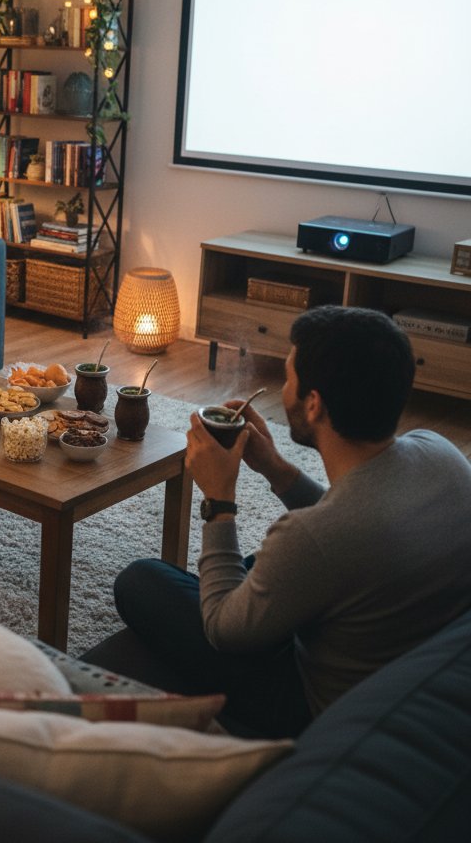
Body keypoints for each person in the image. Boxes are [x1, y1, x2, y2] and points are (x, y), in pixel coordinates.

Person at [114, 305, 471, 738]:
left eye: (289, 378)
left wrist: (219, 498)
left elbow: (222, 630)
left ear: (314, 404)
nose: (284, 391)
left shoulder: (311, 537)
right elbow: (353, 517)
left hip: (317, 705)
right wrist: (276, 468)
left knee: (140, 580)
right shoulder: (443, 455)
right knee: (258, 562)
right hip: (398, 663)